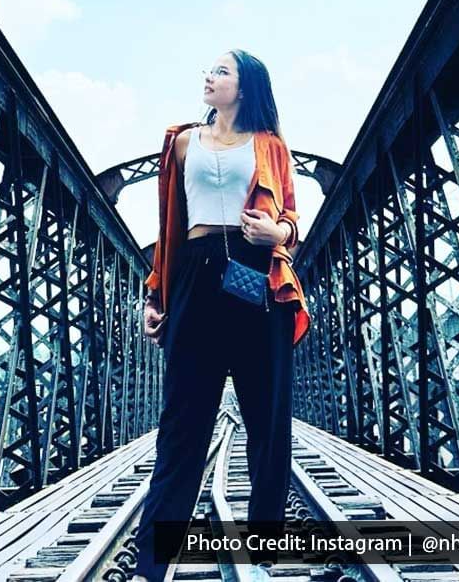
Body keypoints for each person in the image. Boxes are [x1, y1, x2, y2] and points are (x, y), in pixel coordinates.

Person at [130, 49, 310, 582]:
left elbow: (292, 221)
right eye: (209, 70)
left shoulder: (271, 147)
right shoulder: (181, 143)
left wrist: (278, 234)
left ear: (245, 87)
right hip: (196, 278)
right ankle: (150, 567)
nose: (208, 76)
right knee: (182, 428)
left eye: (221, 71)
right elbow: (169, 225)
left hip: (256, 282)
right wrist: (155, 295)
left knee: (267, 425)